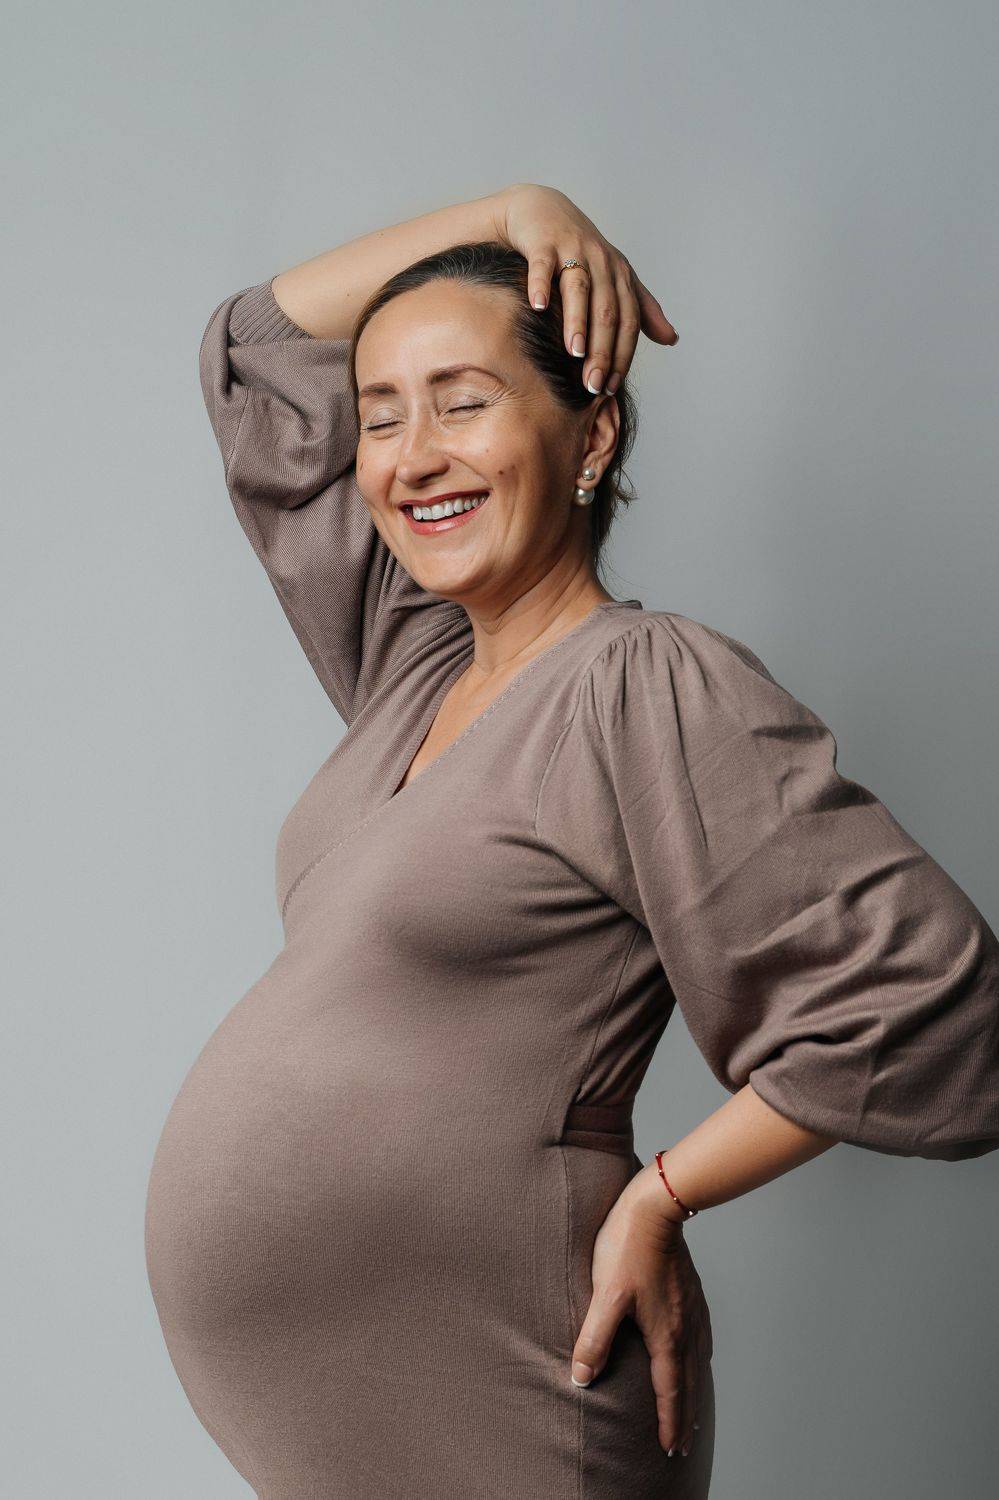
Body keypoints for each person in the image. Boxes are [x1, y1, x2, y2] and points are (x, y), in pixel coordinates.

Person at [144, 183, 999, 1498]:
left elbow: (937, 1005)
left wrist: (663, 1193)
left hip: (517, 1383)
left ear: (592, 436)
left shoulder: (639, 683)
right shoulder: (411, 663)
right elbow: (258, 347)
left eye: (463, 402)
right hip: (367, 1422)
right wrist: (513, 210)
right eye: (383, 414)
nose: (411, 455)